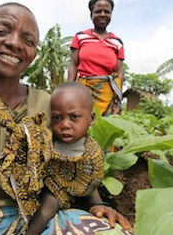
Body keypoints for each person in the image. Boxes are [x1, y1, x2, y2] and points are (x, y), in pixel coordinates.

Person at [0, 2, 132, 234]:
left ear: (33, 55)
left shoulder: (50, 106)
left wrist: (97, 203)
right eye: (1, 31)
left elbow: (77, 156)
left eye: (28, 41)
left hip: (41, 219)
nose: (15, 43)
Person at [24, 82, 126, 234]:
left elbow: (90, 180)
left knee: (46, 210)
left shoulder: (92, 152)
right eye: (57, 118)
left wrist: (97, 203)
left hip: (71, 191)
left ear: (91, 119)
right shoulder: (48, 142)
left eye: (74, 117)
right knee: (44, 211)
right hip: (53, 187)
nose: (65, 124)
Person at [67, 0, 125, 116]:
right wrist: (69, 91)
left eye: (107, 11)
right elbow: (73, 64)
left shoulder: (117, 42)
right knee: (81, 126)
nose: (102, 14)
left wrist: (118, 100)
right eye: (98, 11)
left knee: (105, 129)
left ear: (111, 14)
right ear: (91, 14)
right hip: (83, 91)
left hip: (108, 94)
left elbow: (119, 72)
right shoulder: (80, 37)